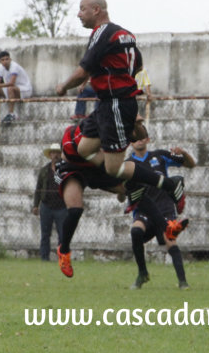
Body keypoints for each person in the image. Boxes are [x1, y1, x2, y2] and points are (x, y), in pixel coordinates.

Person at [54, 0, 185, 241]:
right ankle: (132, 185)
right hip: (108, 104)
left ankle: (170, 185)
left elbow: (83, 70)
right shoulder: (126, 35)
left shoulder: (102, 32)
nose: (78, 14)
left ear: (96, 9)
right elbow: (137, 67)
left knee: (114, 168)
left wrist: (64, 86)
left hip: (115, 103)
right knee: (83, 148)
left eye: (82, 9)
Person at [54, 118, 188, 278]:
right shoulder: (79, 135)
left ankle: (167, 228)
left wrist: (136, 123)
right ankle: (64, 251)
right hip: (73, 169)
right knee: (75, 210)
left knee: (134, 190)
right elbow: (74, 153)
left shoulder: (117, 128)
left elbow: (139, 136)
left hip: (95, 168)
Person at [127, 135, 196, 290]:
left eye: (141, 137)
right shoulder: (128, 165)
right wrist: (124, 192)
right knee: (136, 230)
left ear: (147, 139)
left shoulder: (160, 156)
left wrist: (183, 153)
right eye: (134, 137)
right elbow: (121, 194)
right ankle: (142, 274)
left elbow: (191, 165)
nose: (138, 140)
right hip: (144, 209)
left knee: (170, 241)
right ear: (130, 142)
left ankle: (183, 282)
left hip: (164, 208)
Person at [33, 143, 68, 261]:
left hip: (62, 206)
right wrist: (35, 205)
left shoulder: (65, 170)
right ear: (50, 155)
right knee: (45, 234)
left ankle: (62, 258)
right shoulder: (44, 171)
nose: (55, 155)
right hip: (46, 206)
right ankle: (44, 257)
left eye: (58, 153)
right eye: (53, 153)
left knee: (63, 235)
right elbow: (38, 189)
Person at [0, 51, 33, 124]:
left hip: (25, 89)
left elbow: (11, 83)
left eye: (7, 59)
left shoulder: (14, 66)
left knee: (10, 88)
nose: (5, 61)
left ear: (10, 59)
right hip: (12, 89)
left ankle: (11, 114)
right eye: (3, 60)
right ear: (0, 61)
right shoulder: (0, 67)